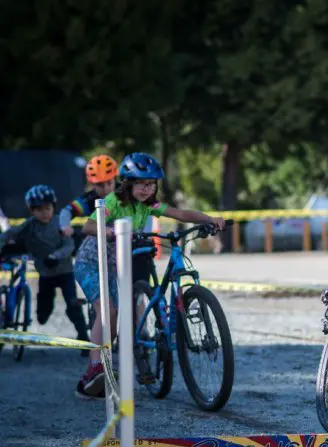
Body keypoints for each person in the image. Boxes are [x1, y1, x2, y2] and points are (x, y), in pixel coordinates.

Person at [72, 152, 225, 399]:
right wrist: (111, 231)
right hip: (91, 262)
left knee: (118, 315)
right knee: (108, 311)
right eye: (142, 183)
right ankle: (93, 369)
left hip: (115, 266)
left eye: (151, 184)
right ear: (128, 183)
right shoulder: (113, 202)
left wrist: (210, 219)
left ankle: (106, 362)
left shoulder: (148, 206)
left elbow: (181, 214)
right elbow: (88, 227)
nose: (147, 189)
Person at [0, 185, 90, 351]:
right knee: (43, 313)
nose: (44, 213)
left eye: (47, 208)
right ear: (31, 210)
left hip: (65, 272)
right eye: (39, 209)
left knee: (73, 305)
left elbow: (69, 245)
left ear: (53, 207)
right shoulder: (30, 225)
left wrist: (55, 256)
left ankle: (83, 337)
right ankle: (44, 312)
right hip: (45, 275)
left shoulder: (60, 223)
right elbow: (12, 232)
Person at [59, 154, 119, 239]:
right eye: (100, 185)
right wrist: (65, 226)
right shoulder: (90, 199)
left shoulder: (124, 192)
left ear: (115, 179)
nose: (106, 189)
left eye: (109, 183)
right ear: (92, 184)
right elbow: (67, 211)